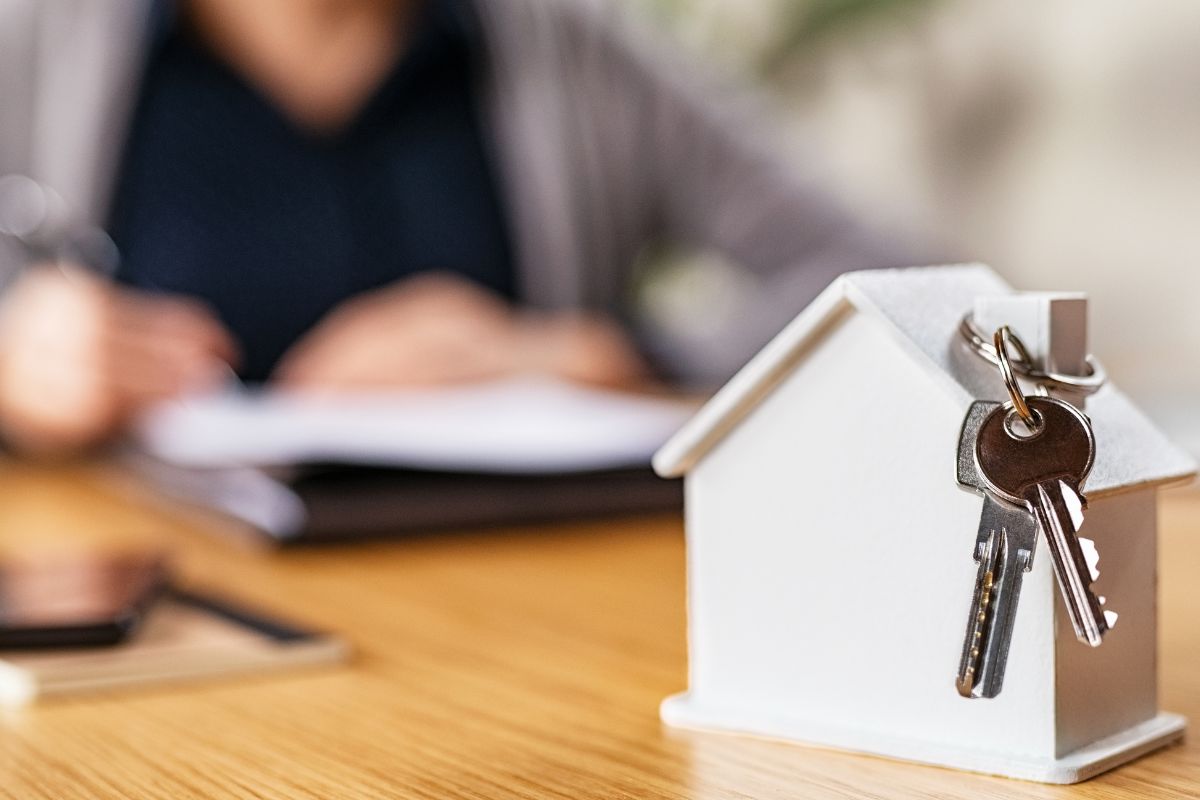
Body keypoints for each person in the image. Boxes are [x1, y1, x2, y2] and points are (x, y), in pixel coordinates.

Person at [0, 0, 910, 456]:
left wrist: (607, 353)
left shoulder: (573, 51)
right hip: (156, 617)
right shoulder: (39, 44)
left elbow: (894, 281)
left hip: (517, 626)